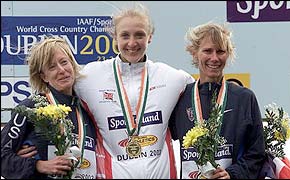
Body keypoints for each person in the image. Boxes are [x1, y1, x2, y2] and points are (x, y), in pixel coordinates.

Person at [74, 3, 194, 179]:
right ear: (114, 37)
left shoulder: (173, 78)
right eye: (125, 35)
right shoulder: (89, 77)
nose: (132, 43)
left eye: (139, 35)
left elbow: (202, 100)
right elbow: (53, 99)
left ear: (150, 37)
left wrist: (235, 93)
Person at [169, 22, 266, 179]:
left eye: (220, 51)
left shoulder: (244, 98)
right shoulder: (180, 97)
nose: (214, 58)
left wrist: (232, 174)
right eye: (207, 51)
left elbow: (257, 153)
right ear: (194, 53)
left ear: (228, 54)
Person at [1, 36, 98, 179]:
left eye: (64, 62)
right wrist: (38, 165)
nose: (62, 70)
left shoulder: (88, 109)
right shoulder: (31, 108)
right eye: (52, 67)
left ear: (72, 64)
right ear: (43, 76)